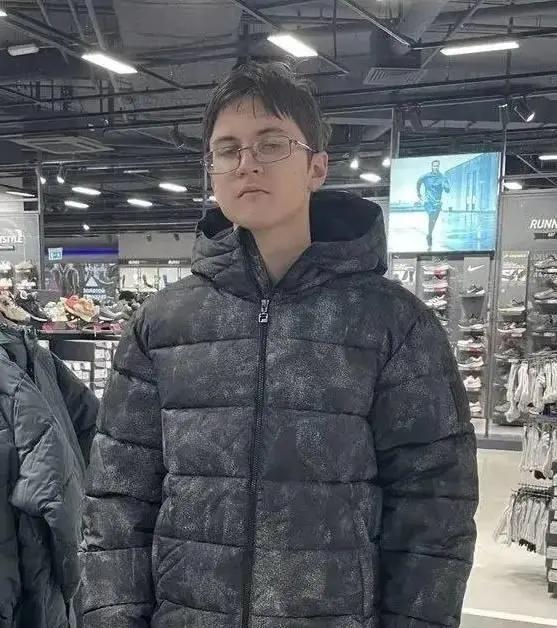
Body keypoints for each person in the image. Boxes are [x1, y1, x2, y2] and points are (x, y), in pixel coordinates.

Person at [80, 62, 478, 628]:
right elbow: (118, 503)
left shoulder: (393, 324)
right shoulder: (161, 325)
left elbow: (435, 506)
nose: (247, 163)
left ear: (317, 167)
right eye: (228, 150)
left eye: (271, 144)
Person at [417, 159, 451, 250]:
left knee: (433, 221)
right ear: (432, 166)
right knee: (431, 218)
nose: (435, 167)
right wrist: (418, 193)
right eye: (434, 166)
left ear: (438, 166)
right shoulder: (426, 176)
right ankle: (430, 236)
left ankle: (429, 234)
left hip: (437, 203)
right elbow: (418, 182)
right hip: (428, 202)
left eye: (437, 166)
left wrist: (445, 186)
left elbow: (448, 190)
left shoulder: (443, 177)